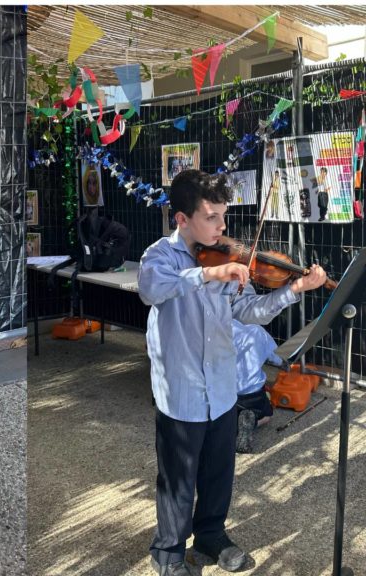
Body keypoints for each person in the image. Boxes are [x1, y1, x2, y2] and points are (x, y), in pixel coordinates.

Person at [138, 169, 326, 576]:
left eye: (224, 216)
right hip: (182, 391)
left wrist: (291, 291)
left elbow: (247, 312)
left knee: (219, 471)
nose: (222, 226)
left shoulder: (225, 253)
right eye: (211, 216)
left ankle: (210, 537)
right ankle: (167, 553)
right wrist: (208, 274)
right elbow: (152, 290)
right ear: (182, 219)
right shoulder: (159, 256)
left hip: (222, 387)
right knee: (177, 480)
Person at [233, 320, 280, 454]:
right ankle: (252, 421)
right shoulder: (257, 331)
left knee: (225, 417)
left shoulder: (217, 331)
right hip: (254, 394)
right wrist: (285, 364)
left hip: (228, 396)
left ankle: (233, 425)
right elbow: (274, 358)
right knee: (267, 416)